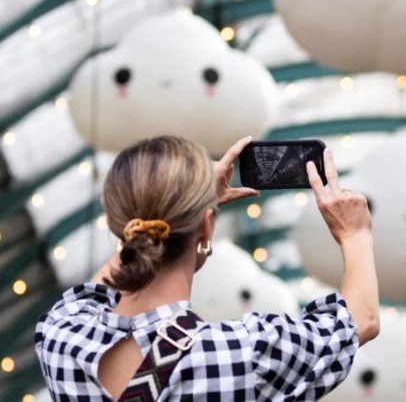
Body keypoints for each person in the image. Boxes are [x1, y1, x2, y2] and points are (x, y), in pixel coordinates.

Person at [35, 136, 379, 401]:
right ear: (206, 228)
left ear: (117, 226)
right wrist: (355, 233)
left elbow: (102, 288)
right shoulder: (245, 355)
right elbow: (359, 320)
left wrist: (189, 206)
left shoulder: (62, 336)